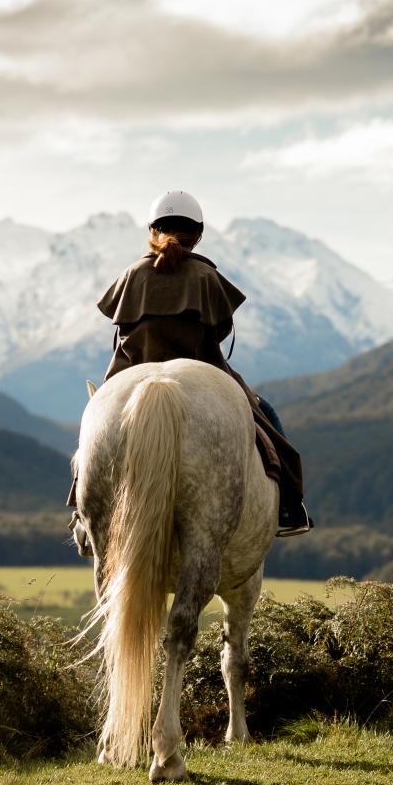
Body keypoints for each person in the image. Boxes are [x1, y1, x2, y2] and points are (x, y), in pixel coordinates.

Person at [68, 190, 313, 537]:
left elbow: (121, 329)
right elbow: (221, 329)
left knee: (93, 426)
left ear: (152, 229)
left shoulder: (131, 276)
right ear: (198, 234)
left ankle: (83, 509)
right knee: (266, 416)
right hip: (203, 368)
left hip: (130, 370)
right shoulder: (207, 278)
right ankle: (290, 506)